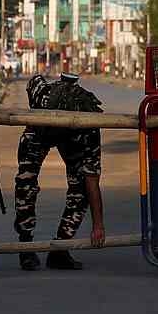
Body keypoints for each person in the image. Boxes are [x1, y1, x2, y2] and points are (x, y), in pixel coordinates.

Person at [14, 73, 105, 271]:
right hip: (40, 130)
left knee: (81, 191)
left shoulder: (88, 125)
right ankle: (25, 247)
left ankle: (60, 250)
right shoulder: (43, 96)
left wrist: (98, 225)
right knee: (25, 184)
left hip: (73, 138)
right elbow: (34, 81)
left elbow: (92, 180)